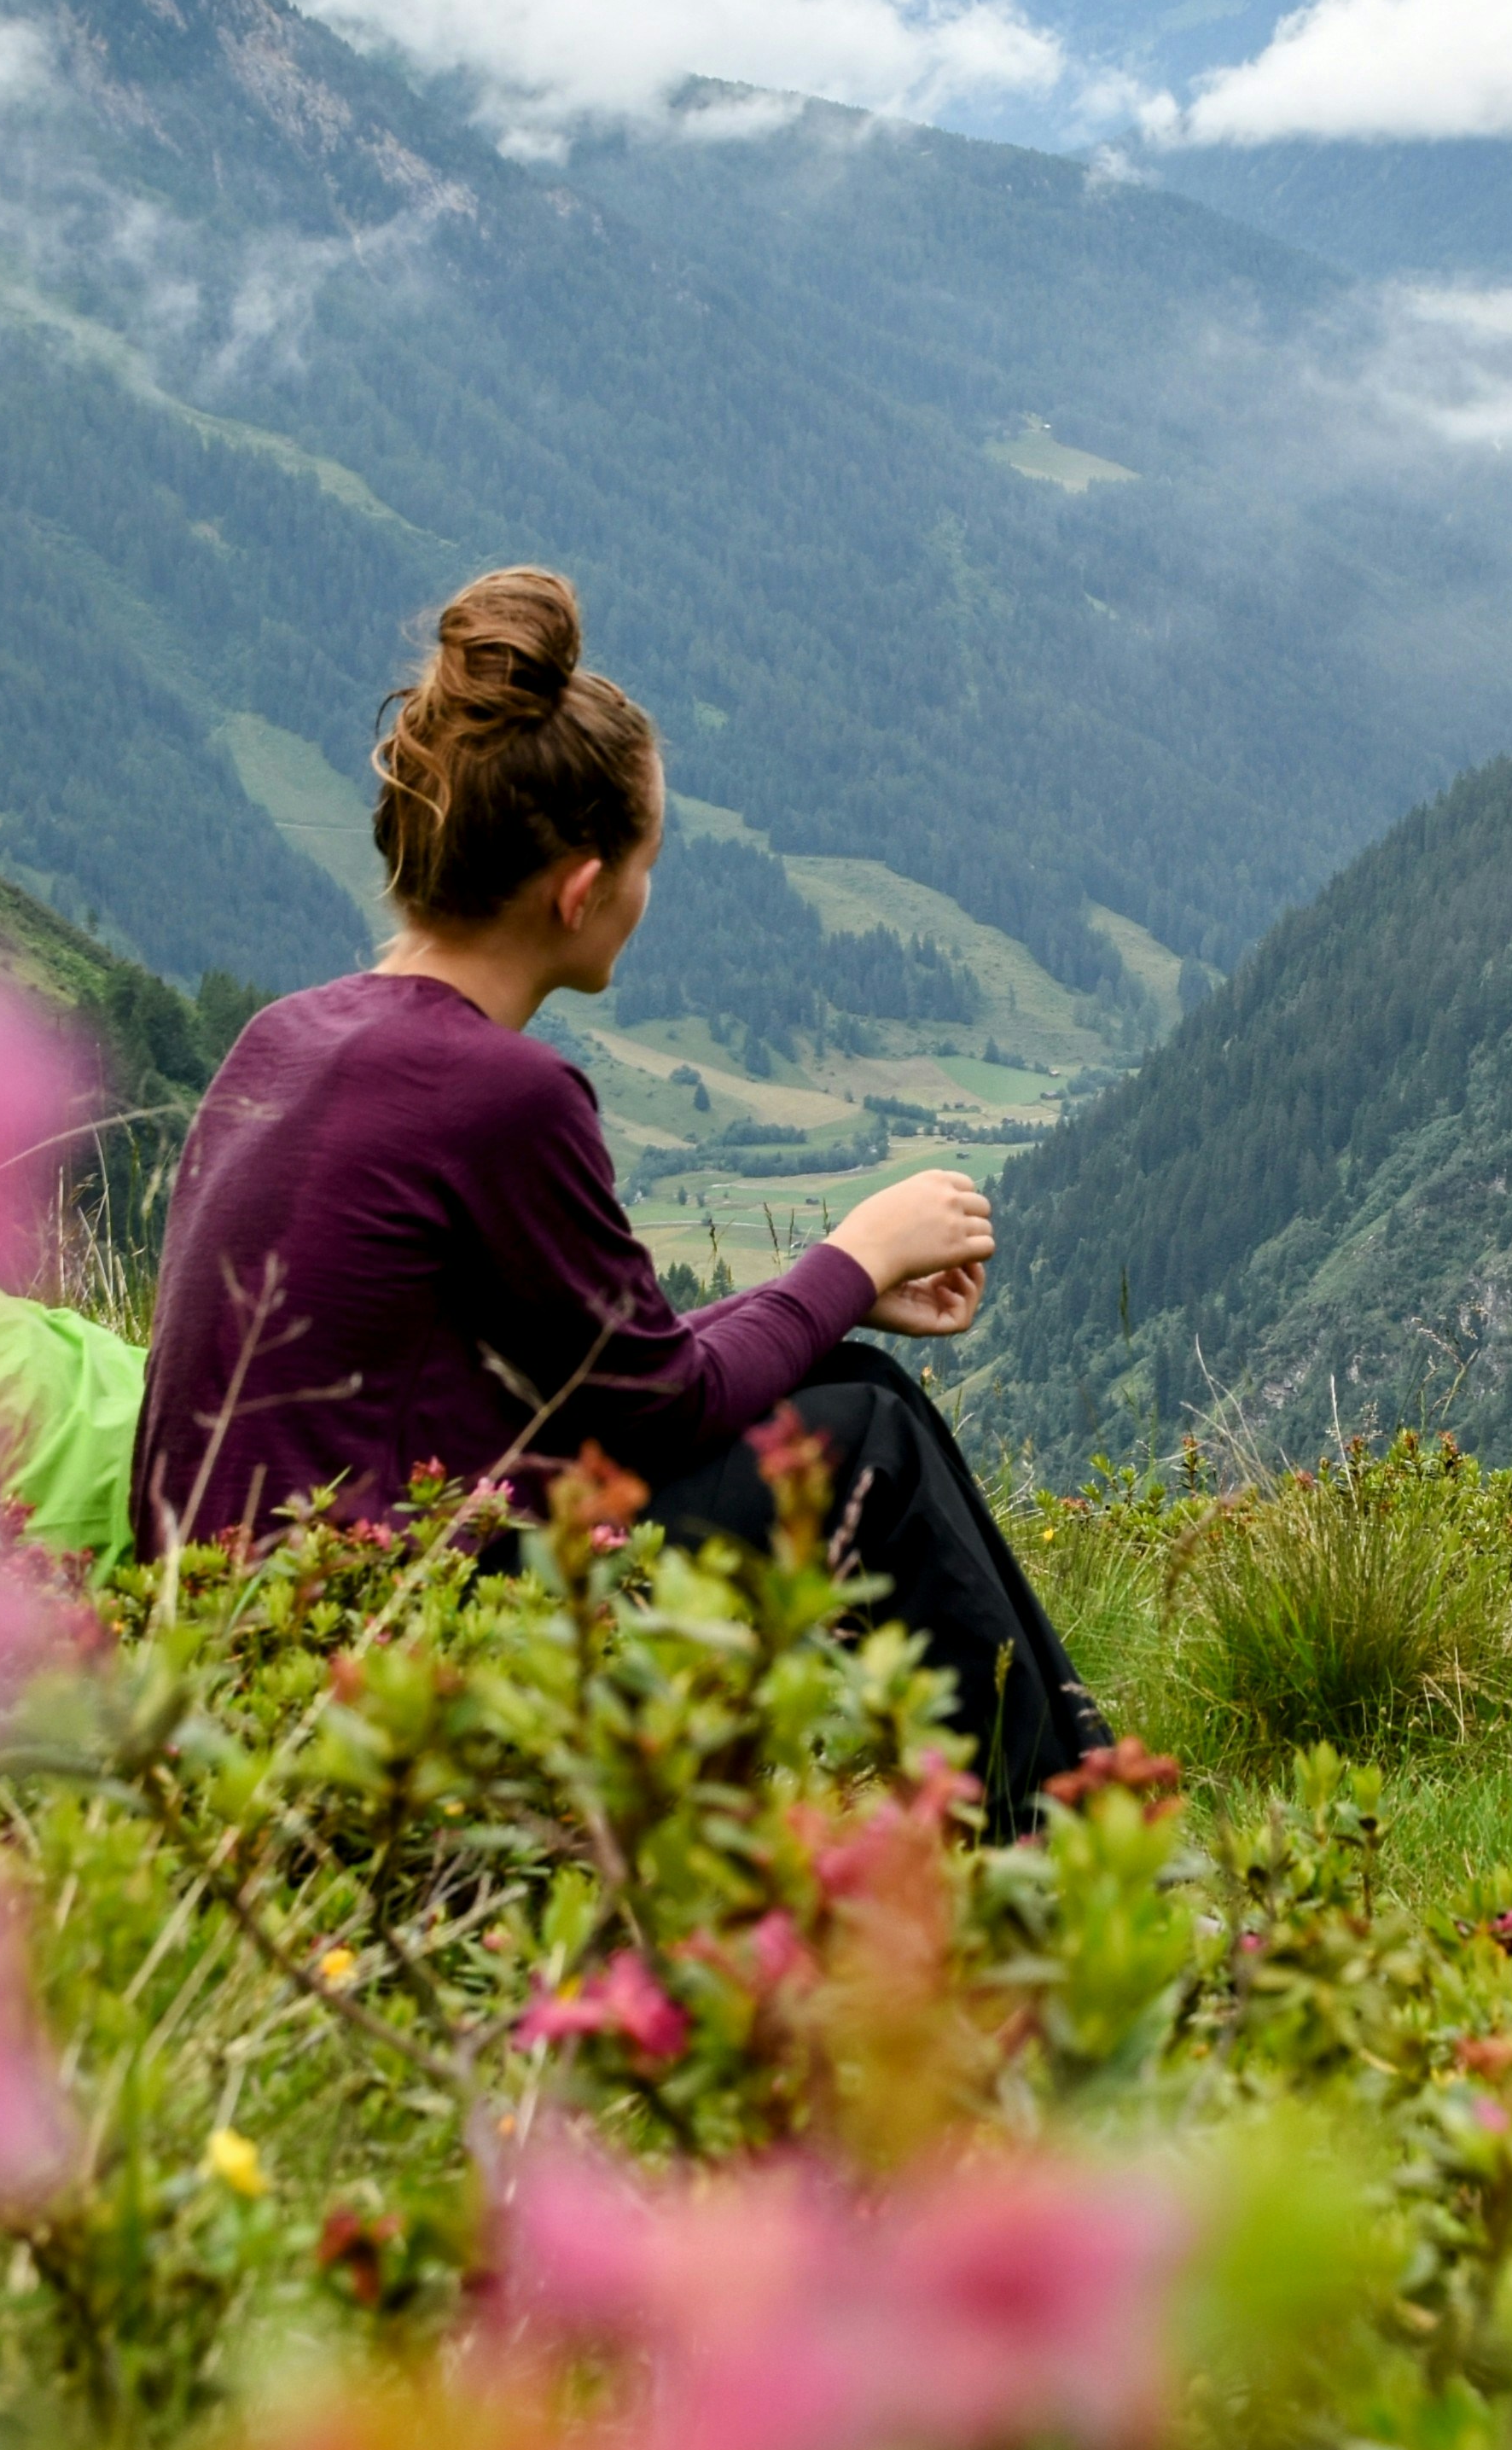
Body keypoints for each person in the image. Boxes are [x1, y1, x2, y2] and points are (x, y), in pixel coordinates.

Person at [129, 567, 1110, 1824]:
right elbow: (657, 1410)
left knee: (851, 1391)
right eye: (647, 861)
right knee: (871, 1439)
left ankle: (1063, 1815)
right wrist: (854, 1261)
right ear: (582, 889)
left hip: (216, 1657)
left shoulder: (284, 1040)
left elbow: (603, 1378)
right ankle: (1079, 1858)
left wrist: (822, 1304)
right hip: (381, 1663)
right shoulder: (499, 1091)